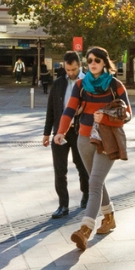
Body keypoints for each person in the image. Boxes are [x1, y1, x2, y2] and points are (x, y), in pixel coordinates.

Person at [54, 47, 131, 252]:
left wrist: (104, 117)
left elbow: (128, 114)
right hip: (83, 140)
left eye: (97, 59)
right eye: (90, 60)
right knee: (95, 180)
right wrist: (61, 131)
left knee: (94, 183)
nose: (93, 63)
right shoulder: (80, 85)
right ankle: (109, 217)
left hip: (107, 140)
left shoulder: (115, 85)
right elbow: (69, 110)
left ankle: (85, 229)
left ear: (104, 62)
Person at [43, 52, 90, 219]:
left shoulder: (88, 83)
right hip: (60, 132)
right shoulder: (58, 84)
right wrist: (47, 132)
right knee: (59, 170)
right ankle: (63, 205)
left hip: (80, 131)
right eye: (68, 69)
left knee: (82, 167)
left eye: (74, 69)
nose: (71, 73)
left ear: (80, 65)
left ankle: (86, 194)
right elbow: (51, 109)